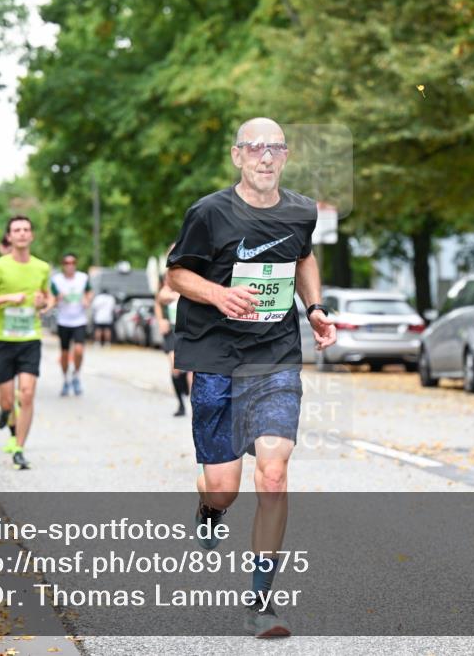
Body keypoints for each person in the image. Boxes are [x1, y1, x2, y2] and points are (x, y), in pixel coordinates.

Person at [166, 117, 337, 638]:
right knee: (223, 489)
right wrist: (219, 295)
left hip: (274, 354)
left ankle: (261, 601)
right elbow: (176, 274)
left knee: (274, 473)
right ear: (238, 156)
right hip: (216, 356)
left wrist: (315, 307)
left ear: (285, 157)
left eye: (275, 149)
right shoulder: (209, 212)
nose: (266, 157)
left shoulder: (301, 211)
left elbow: (303, 257)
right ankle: (207, 508)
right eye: (255, 148)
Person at [0, 215, 53, 471]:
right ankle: (5, 411)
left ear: (32, 236)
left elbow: (48, 299)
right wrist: (8, 297)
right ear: (9, 236)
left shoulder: (42, 267)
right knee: (7, 401)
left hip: (30, 338)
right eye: (16, 230)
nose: (21, 234)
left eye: (26, 229)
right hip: (2, 340)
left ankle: (19, 448)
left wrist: (44, 305)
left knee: (27, 394)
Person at [50, 253, 93, 396]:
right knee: (64, 353)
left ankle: (76, 375)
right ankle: (65, 379)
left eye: (72, 262)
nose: (70, 265)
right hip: (64, 321)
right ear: (63, 265)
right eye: (67, 263)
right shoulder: (57, 280)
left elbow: (89, 292)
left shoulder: (83, 278)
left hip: (79, 320)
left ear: (76, 264)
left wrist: (87, 300)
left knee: (79, 350)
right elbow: (52, 298)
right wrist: (57, 298)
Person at [155, 255, 191, 416]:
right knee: (175, 367)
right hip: (171, 330)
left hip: (188, 330)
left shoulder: (191, 275)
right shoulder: (168, 277)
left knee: (191, 370)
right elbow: (159, 298)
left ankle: (192, 405)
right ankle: (180, 403)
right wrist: (161, 319)